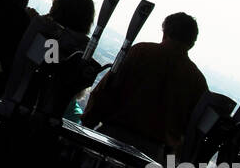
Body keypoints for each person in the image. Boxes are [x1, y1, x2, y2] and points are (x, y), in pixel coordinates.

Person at [80, 11, 208, 155]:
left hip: (112, 136)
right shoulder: (197, 80)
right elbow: (192, 131)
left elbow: (106, 89)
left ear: (165, 32)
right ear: (191, 43)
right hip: (153, 153)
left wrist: (87, 122)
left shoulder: (140, 52)